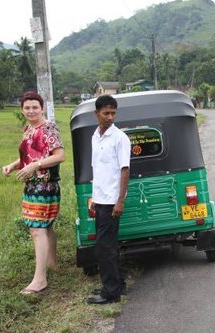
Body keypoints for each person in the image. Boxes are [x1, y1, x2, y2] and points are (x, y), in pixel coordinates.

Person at [2, 91, 65, 295]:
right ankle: (52, 264)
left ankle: (40, 280)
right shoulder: (29, 129)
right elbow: (30, 156)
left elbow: (59, 155)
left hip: (45, 185)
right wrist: (13, 165)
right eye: (27, 108)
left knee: (37, 230)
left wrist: (35, 166)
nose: (31, 111)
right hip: (32, 184)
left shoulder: (48, 128)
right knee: (45, 228)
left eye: (35, 107)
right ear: (22, 109)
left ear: (42, 108)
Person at [87, 95, 130, 305]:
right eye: (106, 113)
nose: (110, 117)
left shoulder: (120, 138)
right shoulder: (95, 136)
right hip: (101, 200)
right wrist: (95, 197)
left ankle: (111, 292)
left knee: (105, 247)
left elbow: (124, 170)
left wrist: (120, 201)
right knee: (108, 245)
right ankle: (117, 285)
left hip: (112, 202)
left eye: (113, 113)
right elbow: (99, 170)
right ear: (97, 114)